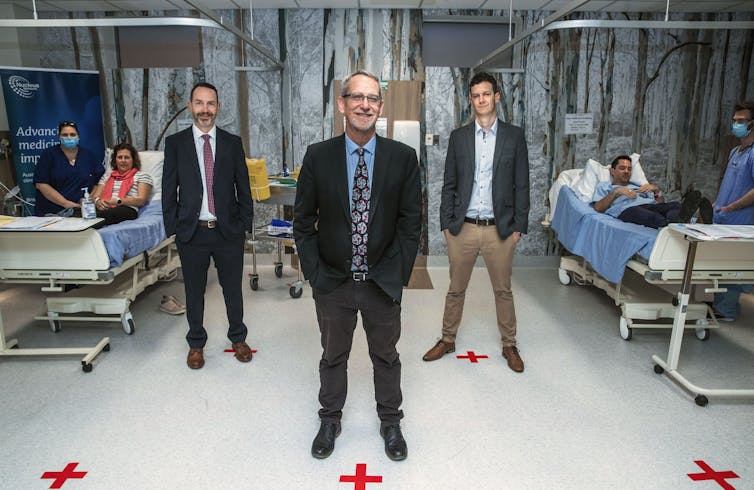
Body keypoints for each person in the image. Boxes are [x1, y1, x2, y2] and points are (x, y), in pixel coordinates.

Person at [293, 70, 421, 462]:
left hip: (382, 281)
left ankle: (390, 422)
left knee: (386, 356)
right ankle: (329, 419)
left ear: (380, 107)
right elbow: (303, 221)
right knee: (333, 356)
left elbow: (410, 222)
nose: (365, 104)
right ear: (342, 104)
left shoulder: (402, 158)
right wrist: (316, 275)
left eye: (372, 98)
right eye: (357, 97)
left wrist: (397, 274)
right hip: (333, 282)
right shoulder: (318, 156)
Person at [422, 72, 530, 374]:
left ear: (496, 97)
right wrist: (446, 223)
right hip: (463, 228)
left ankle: (509, 344)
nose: (481, 100)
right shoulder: (459, 137)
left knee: (503, 290)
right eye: (476, 95)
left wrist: (518, 226)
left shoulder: (514, 136)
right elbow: (449, 184)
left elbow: (522, 183)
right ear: (472, 100)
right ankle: (447, 339)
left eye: (486, 94)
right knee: (456, 289)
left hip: (501, 229)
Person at [162, 82, 254, 369]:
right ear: (190, 106)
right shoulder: (175, 144)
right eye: (199, 103)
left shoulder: (231, 142)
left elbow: (243, 188)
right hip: (192, 232)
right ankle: (196, 344)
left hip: (228, 231)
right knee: (194, 291)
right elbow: (168, 190)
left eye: (210, 103)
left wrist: (244, 225)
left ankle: (238, 337)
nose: (205, 109)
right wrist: (174, 229)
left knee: (232, 290)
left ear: (218, 107)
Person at [710, 100, 754, 321]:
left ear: (753, 124)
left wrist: (732, 206)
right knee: (721, 265)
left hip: (741, 220)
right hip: (723, 216)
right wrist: (718, 204)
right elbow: (729, 182)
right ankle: (721, 305)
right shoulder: (736, 151)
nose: (736, 124)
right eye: (735, 120)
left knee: (733, 268)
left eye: (741, 121)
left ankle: (725, 310)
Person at [590, 155, 711, 229]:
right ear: (612, 171)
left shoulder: (639, 186)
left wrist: (656, 191)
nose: (626, 171)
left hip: (650, 205)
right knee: (653, 217)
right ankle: (686, 223)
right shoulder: (605, 187)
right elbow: (598, 207)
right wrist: (616, 192)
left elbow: (659, 203)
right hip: (628, 210)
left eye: (629, 169)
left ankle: (683, 220)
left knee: (674, 205)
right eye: (622, 168)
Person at [33, 120, 104, 216]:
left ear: (78, 136)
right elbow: (41, 184)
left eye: (72, 134)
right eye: (65, 135)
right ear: (59, 137)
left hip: (83, 211)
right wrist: (66, 203)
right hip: (53, 212)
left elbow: (99, 181)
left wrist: (90, 199)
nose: (69, 137)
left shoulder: (88, 156)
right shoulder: (48, 155)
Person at [89, 143, 153, 226]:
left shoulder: (142, 176)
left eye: (127, 157)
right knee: (79, 210)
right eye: (120, 157)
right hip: (104, 207)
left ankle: (90, 221)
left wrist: (118, 201)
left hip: (126, 208)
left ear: (133, 160)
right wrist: (98, 202)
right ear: (115, 160)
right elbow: (95, 197)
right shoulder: (107, 176)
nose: (123, 160)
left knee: (106, 214)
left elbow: (141, 200)